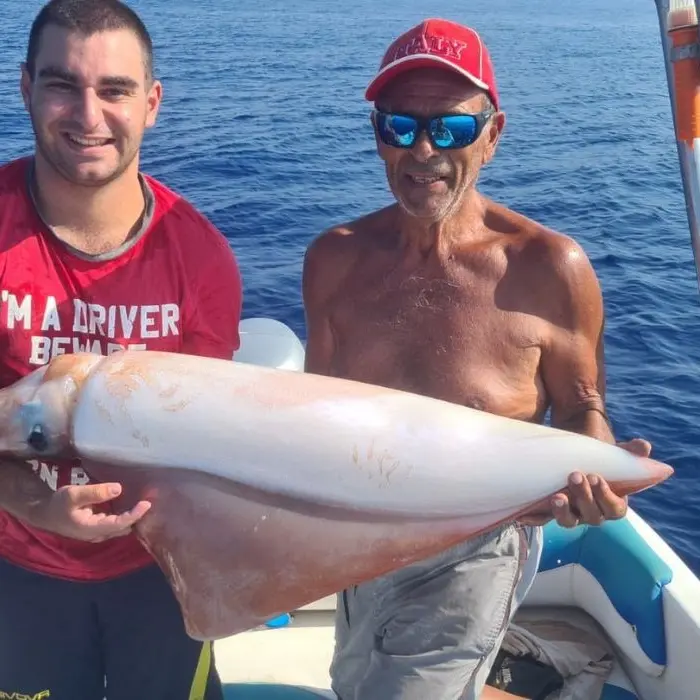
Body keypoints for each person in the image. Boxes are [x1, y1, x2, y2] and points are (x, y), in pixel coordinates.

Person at [302, 17, 652, 700]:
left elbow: (582, 405)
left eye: (453, 129)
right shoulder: (333, 260)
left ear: (493, 136)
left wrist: (591, 472)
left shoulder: (550, 267)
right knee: (353, 680)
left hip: (481, 546)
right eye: (398, 126)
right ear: (376, 135)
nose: (423, 149)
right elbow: (317, 413)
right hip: (362, 535)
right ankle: (536, 666)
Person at [0, 1, 241, 698]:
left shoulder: (200, 259)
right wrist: (37, 507)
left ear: (152, 102)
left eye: (114, 89)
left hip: (161, 580)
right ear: (24, 88)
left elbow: (206, 451)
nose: (87, 114)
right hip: (19, 574)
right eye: (61, 84)